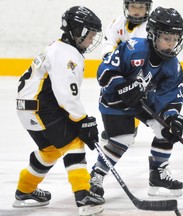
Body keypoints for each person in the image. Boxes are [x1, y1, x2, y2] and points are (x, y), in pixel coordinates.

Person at [14, 6, 105, 215]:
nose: (91, 40)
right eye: (89, 35)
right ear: (76, 30)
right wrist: (82, 120)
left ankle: (25, 191)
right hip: (41, 106)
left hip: (28, 107)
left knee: (50, 150)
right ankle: (84, 197)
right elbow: (66, 94)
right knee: (74, 142)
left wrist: (79, 119)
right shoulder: (66, 53)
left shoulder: (59, 48)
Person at [90, 6, 183, 198]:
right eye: (167, 38)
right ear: (152, 35)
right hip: (115, 100)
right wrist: (122, 87)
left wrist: (172, 117)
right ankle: (96, 175)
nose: (171, 44)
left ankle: (157, 175)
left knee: (166, 129)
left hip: (143, 99)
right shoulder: (133, 48)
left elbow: (169, 97)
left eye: (175, 39)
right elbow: (104, 72)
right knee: (123, 139)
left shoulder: (173, 66)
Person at [99, 0, 153, 142]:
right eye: (133, 6)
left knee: (137, 98)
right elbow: (109, 44)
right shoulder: (118, 22)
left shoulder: (150, 27)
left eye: (141, 7)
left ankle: (132, 125)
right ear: (127, 7)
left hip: (140, 71)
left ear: (147, 8)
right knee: (110, 93)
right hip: (119, 68)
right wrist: (114, 67)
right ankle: (115, 124)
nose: (137, 10)